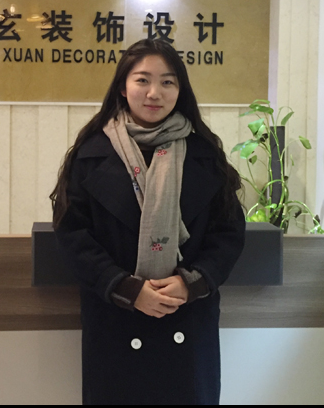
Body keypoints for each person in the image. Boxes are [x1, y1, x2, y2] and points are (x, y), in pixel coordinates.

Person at [50, 38, 246, 405]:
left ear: (180, 90)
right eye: (142, 80)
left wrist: (193, 283)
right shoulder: (90, 155)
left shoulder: (205, 155)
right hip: (116, 320)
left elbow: (229, 232)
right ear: (123, 88)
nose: (154, 92)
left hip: (186, 318)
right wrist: (126, 289)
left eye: (167, 82)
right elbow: (73, 235)